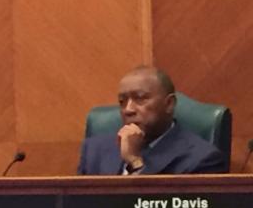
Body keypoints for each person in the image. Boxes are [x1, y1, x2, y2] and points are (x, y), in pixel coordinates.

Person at [77, 66, 226, 175]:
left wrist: (135, 162)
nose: (128, 109)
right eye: (122, 101)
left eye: (140, 98)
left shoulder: (202, 159)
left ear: (169, 104)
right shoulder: (94, 151)